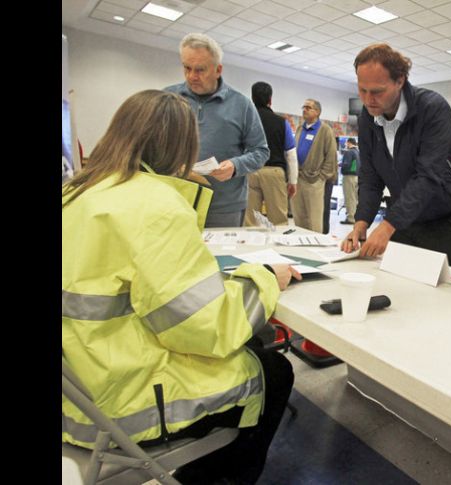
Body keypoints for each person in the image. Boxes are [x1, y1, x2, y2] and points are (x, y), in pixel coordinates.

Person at [62, 90, 301, 484]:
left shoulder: (79, 192)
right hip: (126, 400)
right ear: (182, 146)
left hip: (82, 391)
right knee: (274, 370)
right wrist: (263, 277)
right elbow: (205, 327)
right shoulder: (154, 204)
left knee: (252, 346)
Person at [341, 43, 451, 269]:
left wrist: (387, 225)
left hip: (448, 216)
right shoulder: (368, 116)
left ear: (400, 81)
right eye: (362, 90)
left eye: (377, 91)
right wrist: (361, 221)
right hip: (408, 214)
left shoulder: (432, 108)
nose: (368, 99)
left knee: (438, 295)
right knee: (397, 285)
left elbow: (428, 176)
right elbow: (370, 175)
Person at [165, 33, 269, 228]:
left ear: (218, 70)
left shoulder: (242, 104)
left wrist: (235, 166)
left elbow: (261, 151)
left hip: (224, 207)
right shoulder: (167, 98)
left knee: (222, 258)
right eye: (186, 68)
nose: (191, 76)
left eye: (200, 70)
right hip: (174, 200)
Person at [245, 81, 299, 226]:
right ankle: (279, 247)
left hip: (250, 171)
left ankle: (251, 247)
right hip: (274, 172)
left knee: (250, 219)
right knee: (279, 219)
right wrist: (293, 181)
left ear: (252, 98)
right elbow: (291, 154)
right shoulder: (282, 122)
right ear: (270, 100)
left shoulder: (246, 120)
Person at [293, 98, 338, 233]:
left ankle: (315, 246)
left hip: (314, 180)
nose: (304, 110)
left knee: (314, 219)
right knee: (299, 217)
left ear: (317, 112)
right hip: (298, 179)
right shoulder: (300, 128)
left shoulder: (325, 130)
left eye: (308, 107)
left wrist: (321, 177)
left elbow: (331, 156)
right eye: (303, 107)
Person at [339, 137, 360, 225]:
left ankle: (350, 218)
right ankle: (355, 216)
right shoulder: (358, 152)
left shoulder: (349, 152)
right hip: (357, 177)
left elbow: (346, 164)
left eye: (346, 143)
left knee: (349, 197)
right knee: (354, 198)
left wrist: (340, 164)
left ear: (348, 143)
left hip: (349, 177)